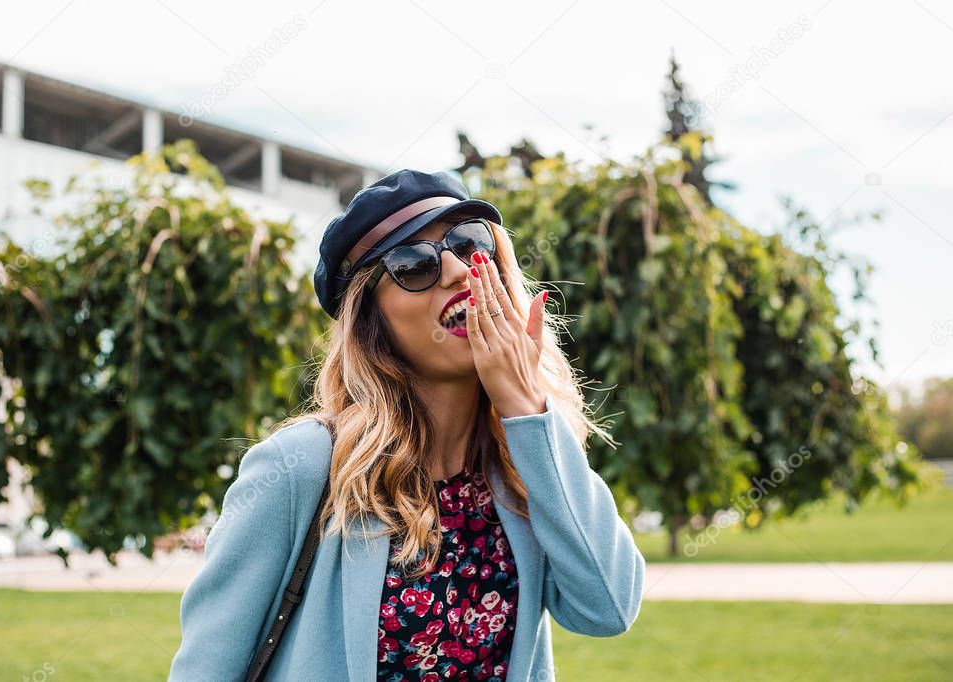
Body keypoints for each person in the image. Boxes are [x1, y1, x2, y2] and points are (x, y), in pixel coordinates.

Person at [168, 169, 646, 681]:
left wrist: (527, 409)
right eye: (414, 265)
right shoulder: (301, 467)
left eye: (470, 243)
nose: (458, 272)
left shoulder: (524, 463)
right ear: (372, 321)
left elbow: (608, 608)